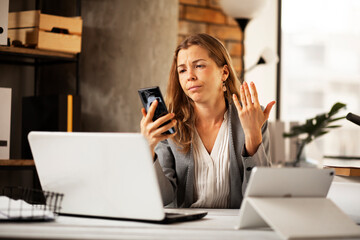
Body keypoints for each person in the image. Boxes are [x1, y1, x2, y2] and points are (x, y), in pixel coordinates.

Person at [140, 33, 275, 208]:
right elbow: (162, 199)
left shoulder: (252, 116)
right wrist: (147, 150)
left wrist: (253, 138)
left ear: (224, 72)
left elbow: (261, 197)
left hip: (235, 229)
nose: (190, 76)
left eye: (199, 66)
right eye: (182, 70)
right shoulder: (169, 125)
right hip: (185, 230)